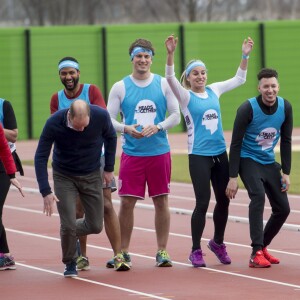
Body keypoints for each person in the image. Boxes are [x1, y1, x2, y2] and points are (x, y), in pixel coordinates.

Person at [164, 34, 254, 267]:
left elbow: (240, 79)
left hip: (219, 155)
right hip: (199, 157)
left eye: (203, 72)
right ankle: (195, 250)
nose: (200, 77)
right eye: (196, 73)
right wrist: (171, 54)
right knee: (202, 202)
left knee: (224, 201)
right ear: (189, 77)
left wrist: (244, 55)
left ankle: (218, 243)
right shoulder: (185, 96)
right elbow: (170, 77)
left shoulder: (214, 90)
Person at [107, 38, 181, 267]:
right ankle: (124, 251)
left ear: (151, 59)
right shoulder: (120, 86)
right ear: (132, 58)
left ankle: (162, 251)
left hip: (159, 153)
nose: (143, 60)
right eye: (139, 56)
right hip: (132, 154)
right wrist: (126, 128)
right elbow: (108, 120)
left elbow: (176, 115)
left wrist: (158, 126)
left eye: (147, 56)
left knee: (161, 201)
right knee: (127, 203)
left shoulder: (163, 84)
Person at [50, 57, 129, 271]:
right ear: (59, 75)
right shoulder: (56, 99)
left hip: (97, 157)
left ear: (78, 73)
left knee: (106, 204)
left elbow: (101, 121)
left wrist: (109, 166)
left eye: (71, 73)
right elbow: (58, 130)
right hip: (71, 162)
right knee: (77, 210)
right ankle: (81, 256)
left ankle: (119, 255)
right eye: (64, 73)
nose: (68, 77)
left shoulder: (91, 91)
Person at [34, 100, 117, 277]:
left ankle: (68, 232)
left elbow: (111, 137)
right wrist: (45, 190)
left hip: (92, 174)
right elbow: (41, 156)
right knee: (68, 223)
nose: (81, 131)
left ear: (90, 116)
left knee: (95, 225)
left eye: (85, 126)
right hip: (64, 176)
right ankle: (70, 262)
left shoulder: (101, 116)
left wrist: (109, 168)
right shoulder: (54, 123)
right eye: (77, 127)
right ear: (69, 116)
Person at [226, 68, 292, 268]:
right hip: (248, 159)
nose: (270, 90)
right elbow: (235, 144)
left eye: (273, 86)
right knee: (258, 196)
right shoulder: (247, 109)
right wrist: (233, 176)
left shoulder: (285, 107)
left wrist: (286, 172)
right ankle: (256, 252)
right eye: (266, 86)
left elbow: (287, 141)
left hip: (268, 161)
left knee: (283, 209)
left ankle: (262, 247)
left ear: (278, 87)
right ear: (259, 88)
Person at [0, 98, 24, 271]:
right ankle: (4, 254)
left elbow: (8, 142)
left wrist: (11, 174)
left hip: (3, 163)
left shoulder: (4, 105)